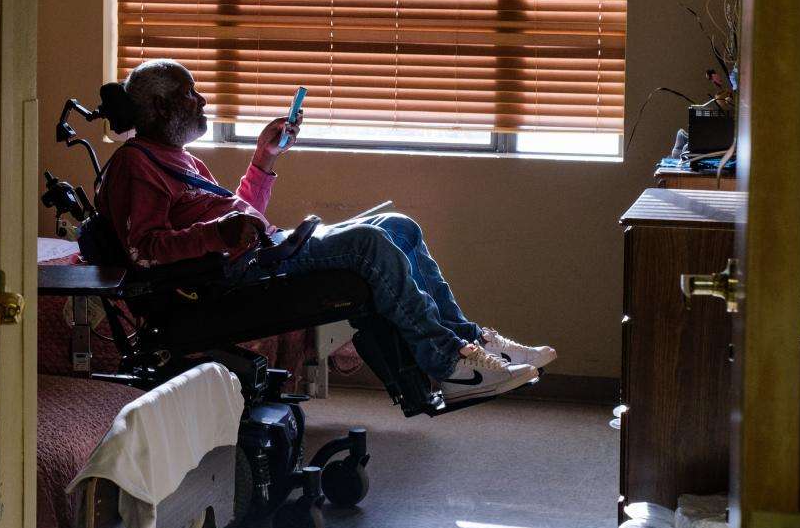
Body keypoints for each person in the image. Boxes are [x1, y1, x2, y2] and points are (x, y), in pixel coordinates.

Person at [97, 58, 556, 403]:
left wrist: (264, 159)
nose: (202, 101)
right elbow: (144, 250)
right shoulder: (136, 165)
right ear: (158, 106)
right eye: (189, 93)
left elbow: (242, 220)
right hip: (228, 280)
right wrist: (219, 234)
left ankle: (470, 340)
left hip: (262, 250)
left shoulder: (179, 158)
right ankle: (448, 363)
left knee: (399, 226)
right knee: (369, 244)